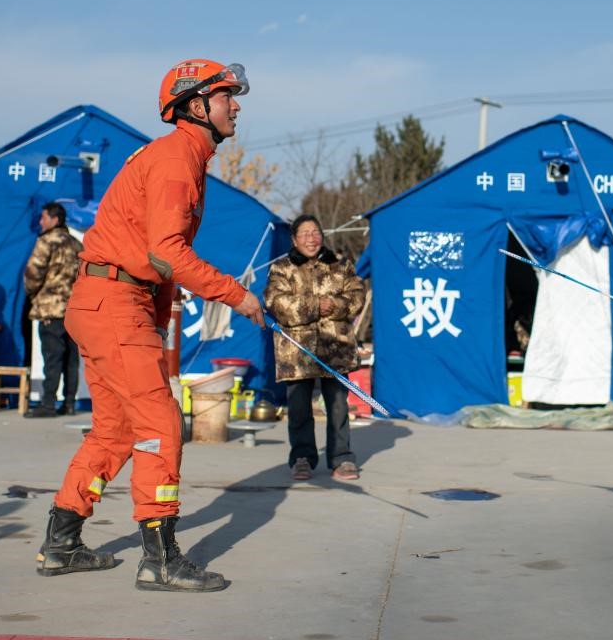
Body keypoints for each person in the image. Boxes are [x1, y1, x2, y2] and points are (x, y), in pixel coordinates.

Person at [36, 58, 266, 593]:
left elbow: (154, 255)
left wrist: (158, 321)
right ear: (195, 106)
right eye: (227, 95)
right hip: (114, 303)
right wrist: (236, 295)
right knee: (162, 425)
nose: (237, 104)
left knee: (115, 431)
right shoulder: (175, 159)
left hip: (108, 302)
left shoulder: (181, 157)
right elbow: (167, 252)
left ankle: (61, 541)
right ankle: (160, 558)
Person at [264, 214, 365, 482]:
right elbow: (276, 303)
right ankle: (302, 457)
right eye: (305, 234)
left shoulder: (341, 265)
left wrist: (336, 306)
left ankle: (341, 458)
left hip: (336, 348)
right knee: (299, 408)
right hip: (297, 352)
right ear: (294, 240)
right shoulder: (282, 269)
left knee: (338, 407)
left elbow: (356, 296)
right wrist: (313, 306)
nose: (311, 238)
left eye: (315, 232)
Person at [23, 201, 83, 417]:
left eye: (43, 217)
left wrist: (33, 293)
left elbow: (33, 273)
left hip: (51, 308)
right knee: (71, 358)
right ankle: (69, 404)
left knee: (52, 356)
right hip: (74, 310)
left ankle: (48, 404)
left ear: (54, 220)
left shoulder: (46, 241)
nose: (40, 221)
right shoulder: (77, 245)